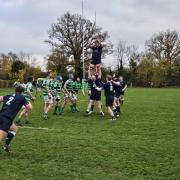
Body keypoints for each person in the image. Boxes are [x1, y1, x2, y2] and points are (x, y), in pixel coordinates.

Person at [0, 86, 32, 152]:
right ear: (22, 92)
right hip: (6, 118)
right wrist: (29, 102)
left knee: (14, 128)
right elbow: (30, 108)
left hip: (2, 115)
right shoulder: (22, 97)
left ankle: (6, 146)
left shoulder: (9, 95)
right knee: (0, 136)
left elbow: (0, 98)